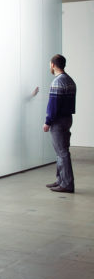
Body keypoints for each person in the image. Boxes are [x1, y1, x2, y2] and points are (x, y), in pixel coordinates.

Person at [44, 54, 76, 193]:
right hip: (67, 118)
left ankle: (67, 183)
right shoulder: (69, 80)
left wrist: (47, 121)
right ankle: (60, 180)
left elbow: (53, 105)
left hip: (58, 121)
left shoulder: (57, 81)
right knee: (61, 151)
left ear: (52, 65)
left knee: (62, 153)